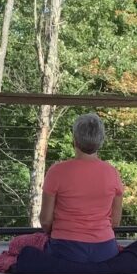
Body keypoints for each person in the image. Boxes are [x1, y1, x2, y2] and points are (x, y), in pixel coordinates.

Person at [38, 113, 124, 264]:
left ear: (75, 140)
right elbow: (115, 222)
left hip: (65, 250)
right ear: (101, 141)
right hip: (105, 251)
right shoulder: (112, 173)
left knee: (22, 243)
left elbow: (45, 221)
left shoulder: (57, 171)